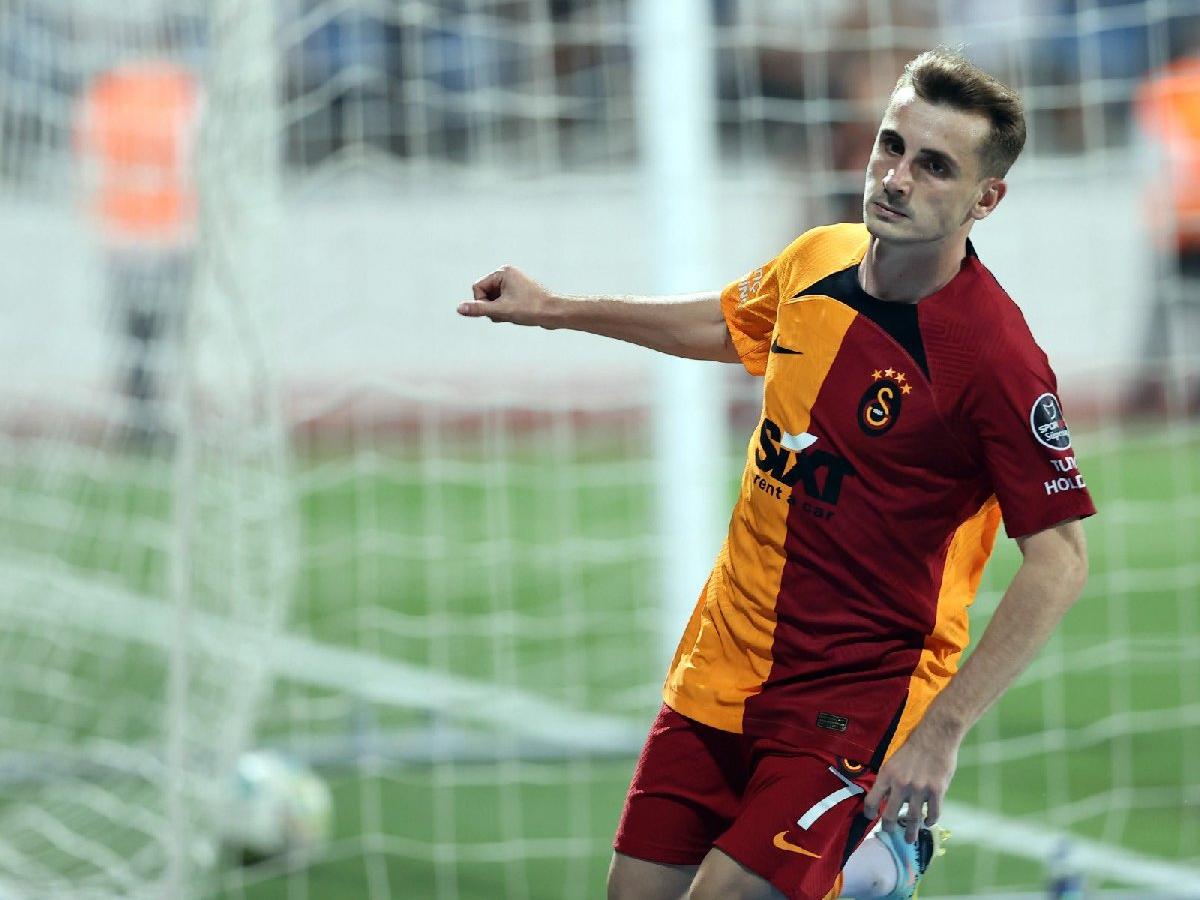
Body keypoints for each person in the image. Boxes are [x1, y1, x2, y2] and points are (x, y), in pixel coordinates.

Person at [457, 49, 1094, 900]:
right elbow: (727, 325)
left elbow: (1061, 561)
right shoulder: (819, 257)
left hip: (853, 693)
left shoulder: (993, 358)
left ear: (987, 199)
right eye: (892, 146)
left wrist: (942, 732)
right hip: (723, 661)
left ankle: (873, 860)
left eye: (935, 166)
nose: (897, 178)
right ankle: (861, 869)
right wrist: (556, 309)